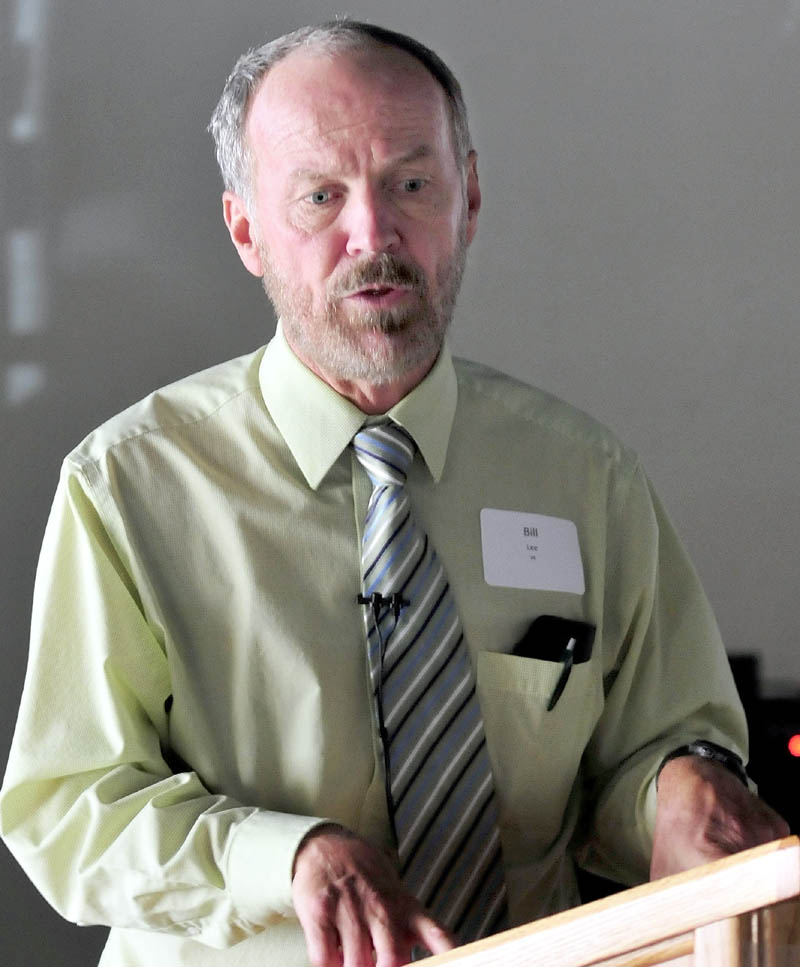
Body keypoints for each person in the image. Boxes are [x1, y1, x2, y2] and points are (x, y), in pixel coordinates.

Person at [0, 20, 787, 967]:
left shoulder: (584, 475)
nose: (373, 233)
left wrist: (683, 785)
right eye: (321, 196)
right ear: (246, 229)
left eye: (411, 184)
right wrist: (285, 855)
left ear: (471, 198)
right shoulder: (126, 486)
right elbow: (68, 810)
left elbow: (652, 746)